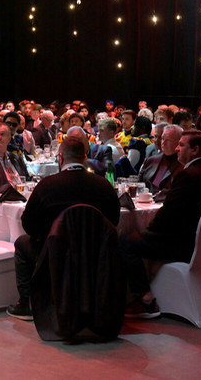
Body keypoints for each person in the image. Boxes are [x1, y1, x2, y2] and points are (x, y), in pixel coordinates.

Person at [6, 135, 120, 321]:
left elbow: (28, 225)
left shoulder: (46, 186)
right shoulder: (103, 186)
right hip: (95, 253)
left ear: (60, 158)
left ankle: (26, 303)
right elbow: (114, 221)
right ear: (85, 158)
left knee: (21, 244)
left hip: (53, 252)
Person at [121, 130, 201, 318]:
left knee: (127, 241)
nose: (177, 149)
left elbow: (168, 215)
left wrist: (146, 231)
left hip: (183, 245)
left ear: (195, 150)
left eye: (182, 145)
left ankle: (145, 300)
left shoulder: (188, 175)